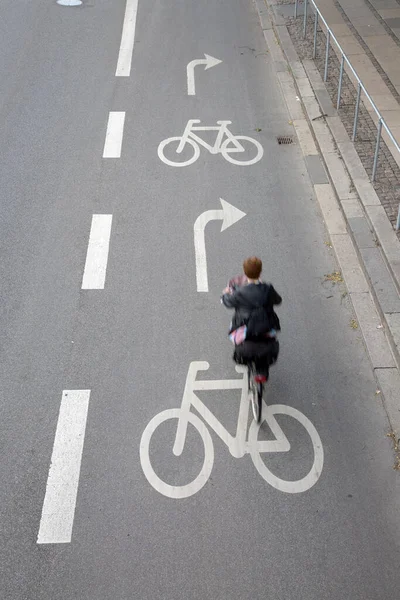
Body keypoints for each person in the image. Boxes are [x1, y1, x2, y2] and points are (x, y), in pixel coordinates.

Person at [221, 257, 282, 379]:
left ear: (245, 271)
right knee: (269, 336)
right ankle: (262, 370)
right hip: (267, 326)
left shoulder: (239, 292)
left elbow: (227, 302)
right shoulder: (268, 289)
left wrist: (226, 293)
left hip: (245, 328)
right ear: (260, 271)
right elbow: (278, 300)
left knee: (233, 328)